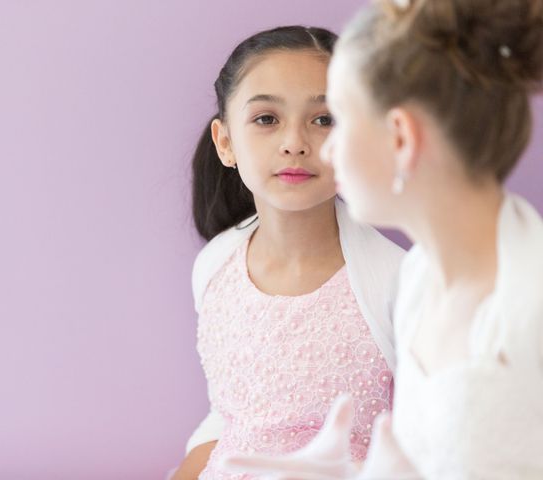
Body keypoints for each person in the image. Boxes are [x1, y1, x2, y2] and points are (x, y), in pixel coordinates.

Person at [223, 0, 543, 478]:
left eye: (338, 120)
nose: (324, 149)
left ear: (400, 138)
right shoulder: (421, 278)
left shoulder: (528, 306)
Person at [172, 25, 405, 480]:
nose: (294, 142)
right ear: (226, 143)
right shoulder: (216, 266)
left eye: (324, 119)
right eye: (266, 119)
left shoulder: (399, 283)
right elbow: (229, 416)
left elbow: (434, 443)